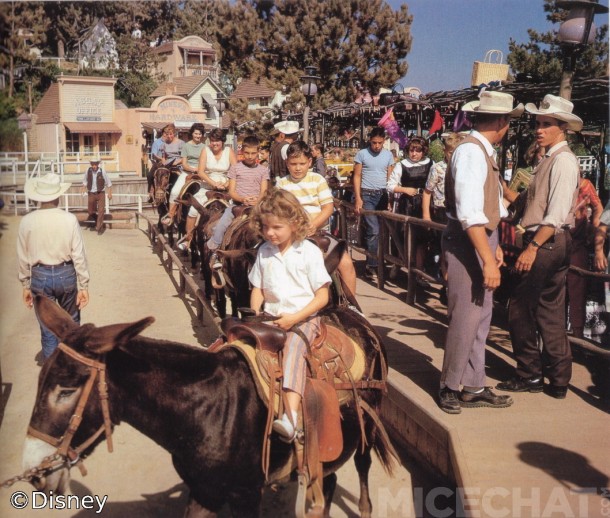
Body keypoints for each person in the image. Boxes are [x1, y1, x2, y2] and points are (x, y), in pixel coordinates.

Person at [438, 91, 523, 414]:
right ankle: (449, 385)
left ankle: (473, 383)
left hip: (478, 239)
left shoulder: (479, 152)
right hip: (466, 241)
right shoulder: (472, 154)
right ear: (502, 122)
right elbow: (469, 213)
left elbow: (486, 209)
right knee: (465, 316)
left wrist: (494, 244)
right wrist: (487, 259)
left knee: (481, 315)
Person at [497, 94, 583, 400]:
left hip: (545, 241)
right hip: (551, 241)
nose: (539, 129)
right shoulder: (549, 159)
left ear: (562, 128)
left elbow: (556, 214)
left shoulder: (562, 161)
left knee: (520, 309)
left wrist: (532, 246)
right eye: (538, 123)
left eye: (546, 124)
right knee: (550, 310)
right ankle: (558, 379)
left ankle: (530, 373)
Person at [248, 189, 331, 442]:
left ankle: (291, 417)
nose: (270, 233)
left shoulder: (308, 252)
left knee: (293, 348)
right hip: (270, 318)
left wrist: (294, 319)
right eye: (265, 227)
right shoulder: (264, 251)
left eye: (276, 227)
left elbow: (322, 297)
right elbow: (258, 289)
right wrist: (254, 314)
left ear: (294, 224)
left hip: (303, 319)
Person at [18, 173, 90, 363]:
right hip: (65, 273)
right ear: (58, 195)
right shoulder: (69, 219)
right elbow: (79, 255)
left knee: (48, 328)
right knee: (72, 325)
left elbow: (23, 256)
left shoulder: (27, 221)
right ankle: (73, 368)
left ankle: (53, 374)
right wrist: (83, 286)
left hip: (39, 275)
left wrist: (25, 284)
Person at [277, 141, 358, 299]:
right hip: (290, 234)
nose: (298, 168)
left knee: (346, 263)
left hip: (318, 232)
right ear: (287, 163)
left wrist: (313, 225)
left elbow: (328, 208)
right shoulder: (282, 183)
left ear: (309, 162)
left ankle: (351, 303)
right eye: (293, 164)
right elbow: (278, 211)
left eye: (302, 163)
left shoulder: (317, 180)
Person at [207, 135, 270, 263]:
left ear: (258, 152)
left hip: (257, 206)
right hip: (238, 206)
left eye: (253, 153)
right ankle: (216, 251)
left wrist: (257, 200)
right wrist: (242, 199)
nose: (250, 156)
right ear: (242, 152)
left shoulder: (263, 170)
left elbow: (264, 191)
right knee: (222, 224)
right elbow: (231, 191)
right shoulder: (235, 168)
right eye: (247, 153)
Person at [387, 136, 434, 284]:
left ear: (423, 151)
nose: (414, 153)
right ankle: (398, 263)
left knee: (422, 240)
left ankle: (418, 274)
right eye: (412, 150)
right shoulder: (402, 165)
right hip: (407, 204)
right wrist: (404, 189)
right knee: (403, 236)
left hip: (424, 204)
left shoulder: (431, 164)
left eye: (418, 150)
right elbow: (390, 185)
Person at [181, 128, 238, 247]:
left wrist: (227, 184)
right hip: (208, 185)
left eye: (217, 141)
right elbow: (201, 172)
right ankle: (188, 238)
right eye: (212, 141)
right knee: (193, 210)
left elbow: (235, 171)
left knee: (236, 210)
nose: (214, 144)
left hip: (225, 185)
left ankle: (233, 238)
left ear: (222, 141)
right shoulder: (205, 150)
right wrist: (213, 184)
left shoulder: (229, 151)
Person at [567, 177, 607, 338]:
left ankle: (577, 335)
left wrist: (593, 226)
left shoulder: (585, 184)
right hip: (555, 239)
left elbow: (599, 208)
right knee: (555, 290)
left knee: (577, 287)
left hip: (577, 242)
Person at [353, 128, 395, 277]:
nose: (377, 146)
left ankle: (380, 260)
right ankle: (372, 265)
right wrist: (358, 197)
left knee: (382, 231)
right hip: (367, 194)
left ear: (384, 141)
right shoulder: (362, 154)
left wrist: (390, 198)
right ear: (369, 141)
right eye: (374, 143)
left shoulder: (388, 155)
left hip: (382, 194)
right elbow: (357, 176)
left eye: (379, 143)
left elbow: (390, 177)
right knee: (374, 230)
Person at [161, 123, 206, 227]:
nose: (198, 136)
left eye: (200, 134)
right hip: (187, 172)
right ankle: (171, 215)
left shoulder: (205, 147)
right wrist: (192, 169)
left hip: (202, 173)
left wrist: (200, 170)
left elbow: (206, 162)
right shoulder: (186, 146)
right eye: (196, 133)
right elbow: (184, 164)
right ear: (192, 134)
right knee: (174, 192)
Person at [80, 156, 112, 235]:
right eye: (92, 164)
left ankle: (99, 227)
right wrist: (83, 189)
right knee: (90, 211)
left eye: (95, 164)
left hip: (101, 193)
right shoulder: (88, 171)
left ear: (98, 164)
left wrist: (110, 193)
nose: (94, 166)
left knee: (101, 211)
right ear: (91, 164)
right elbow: (84, 181)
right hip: (91, 193)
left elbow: (109, 183)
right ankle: (97, 219)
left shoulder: (102, 171)